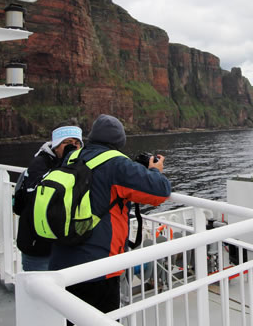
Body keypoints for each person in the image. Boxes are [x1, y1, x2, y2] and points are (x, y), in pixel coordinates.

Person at [49, 114, 171, 322]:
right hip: (99, 267)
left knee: (71, 319)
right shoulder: (116, 164)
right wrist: (155, 171)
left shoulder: (71, 158)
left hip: (63, 260)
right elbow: (159, 192)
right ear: (119, 142)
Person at [14, 123, 83, 271]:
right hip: (37, 245)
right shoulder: (40, 163)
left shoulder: (77, 165)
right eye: (68, 143)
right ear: (56, 145)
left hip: (61, 243)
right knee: (37, 288)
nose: (73, 147)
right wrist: (65, 166)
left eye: (77, 143)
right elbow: (37, 194)